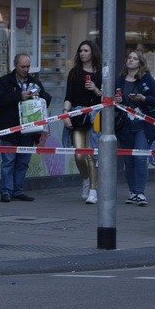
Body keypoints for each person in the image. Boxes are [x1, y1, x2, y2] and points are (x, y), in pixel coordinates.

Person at [0, 53, 51, 203]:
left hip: (29, 130)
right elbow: (0, 100)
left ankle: (18, 190)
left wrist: (39, 95)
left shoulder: (34, 82)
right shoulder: (4, 81)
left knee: (23, 162)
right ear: (15, 65)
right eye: (22, 66)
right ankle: (6, 191)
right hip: (10, 129)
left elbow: (47, 99)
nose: (25, 69)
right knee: (8, 161)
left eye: (27, 67)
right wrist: (19, 96)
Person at [114, 49, 155, 206]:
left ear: (140, 63)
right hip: (124, 125)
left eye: (135, 59)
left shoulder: (146, 79)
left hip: (144, 124)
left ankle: (140, 192)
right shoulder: (120, 80)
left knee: (140, 158)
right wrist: (118, 100)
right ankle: (132, 192)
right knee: (128, 160)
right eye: (129, 58)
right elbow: (114, 103)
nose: (131, 60)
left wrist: (144, 98)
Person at [62, 40, 102, 204]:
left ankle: (93, 189)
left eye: (85, 50)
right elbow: (68, 96)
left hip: (95, 116)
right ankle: (86, 179)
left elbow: (107, 97)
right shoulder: (74, 73)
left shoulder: (100, 73)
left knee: (92, 155)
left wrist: (95, 89)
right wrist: (65, 114)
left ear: (93, 52)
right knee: (79, 155)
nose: (82, 53)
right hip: (78, 115)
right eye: (80, 51)